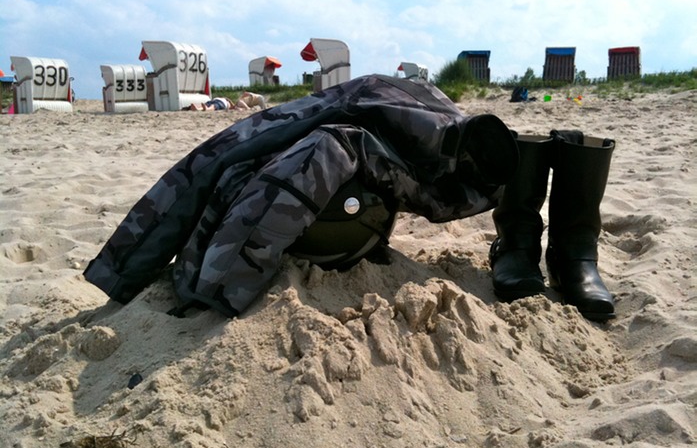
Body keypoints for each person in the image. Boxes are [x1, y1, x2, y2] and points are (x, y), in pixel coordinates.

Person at [84, 74, 519, 318]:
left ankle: (530, 252)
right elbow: (220, 159)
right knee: (274, 157)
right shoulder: (379, 124)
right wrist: (216, 287)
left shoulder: (463, 145)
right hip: (316, 170)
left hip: (364, 192)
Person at [489, 130, 616, 322]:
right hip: (515, 246)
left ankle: (573, 257)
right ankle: (515, 245)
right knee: (524, 147)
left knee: (583, 152)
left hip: (576, 256)